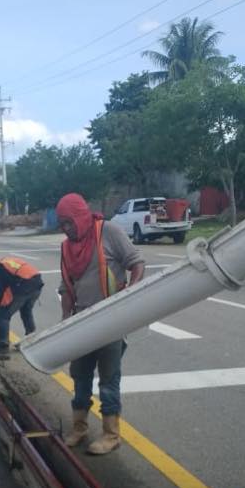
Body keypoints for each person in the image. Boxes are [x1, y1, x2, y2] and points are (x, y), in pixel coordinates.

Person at [56, 193, 145, 455]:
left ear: (80, 216)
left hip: (110, 321)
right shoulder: (66, 247)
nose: (66, 229)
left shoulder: (108, 231)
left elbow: (137, 263)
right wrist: (65, 321)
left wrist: (129, 296)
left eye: (69, 222)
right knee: (80, 377)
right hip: (81, 322)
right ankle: (79, 428)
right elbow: (66, 287)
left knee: (108, 380)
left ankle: (111, 434)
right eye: (62, 224)